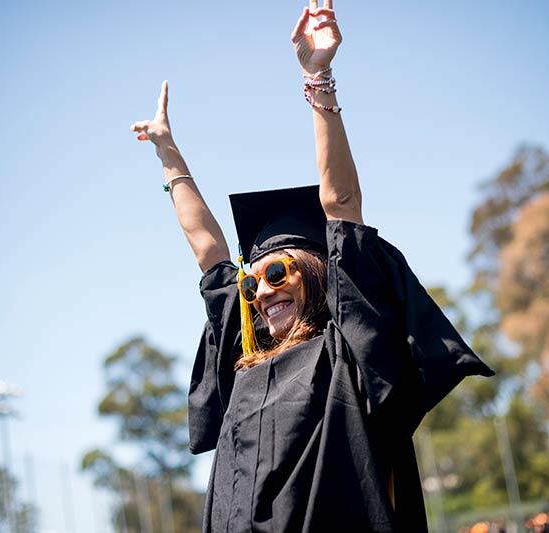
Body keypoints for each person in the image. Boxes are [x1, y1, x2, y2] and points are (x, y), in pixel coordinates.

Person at [130, 1, 493, 531]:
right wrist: (169, 155)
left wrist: (318, 77)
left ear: (315, 272)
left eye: (278, 273)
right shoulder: (242, 363)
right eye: (253, 282)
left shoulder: (347, 356)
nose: (261, 289)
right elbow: (211, 256)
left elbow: (342, 208)